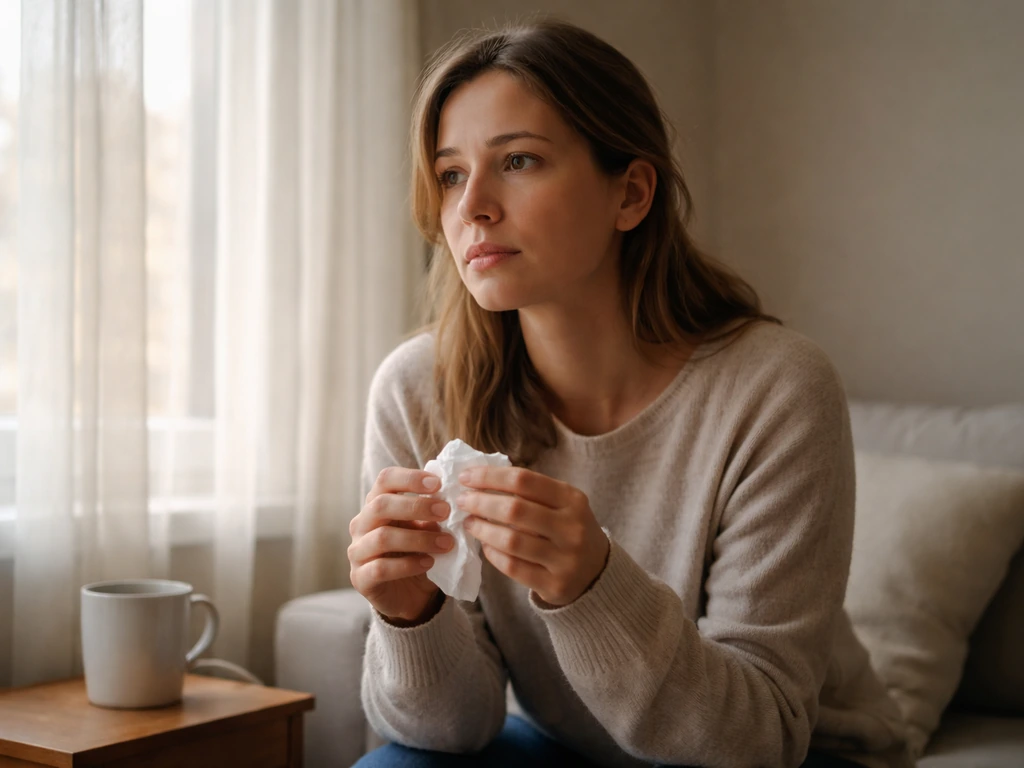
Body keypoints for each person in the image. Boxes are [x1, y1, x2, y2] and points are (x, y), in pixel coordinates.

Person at [347, 18, 911, 768]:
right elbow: (453, 733)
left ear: (632, 194)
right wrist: (407, 611)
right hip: (566, 744)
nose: (472, 206)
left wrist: (592, 585)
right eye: (451, 173)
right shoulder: (416, 389)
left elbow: (757, 738)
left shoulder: (776, 388)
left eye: (518, 160)